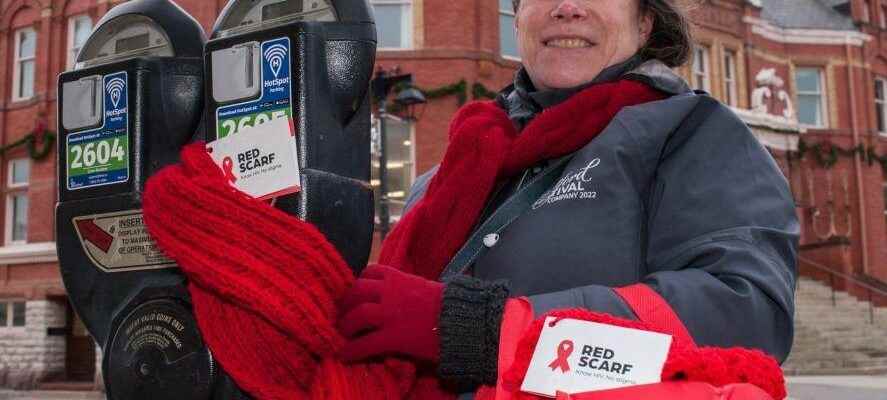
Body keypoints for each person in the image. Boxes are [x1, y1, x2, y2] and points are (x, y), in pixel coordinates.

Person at [338, 0, 798, 397]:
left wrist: (483, 329)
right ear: (517, 19)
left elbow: (746, 313)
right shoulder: (448, 173)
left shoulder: (693, 133)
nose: (567, 6)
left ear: (645, 22)